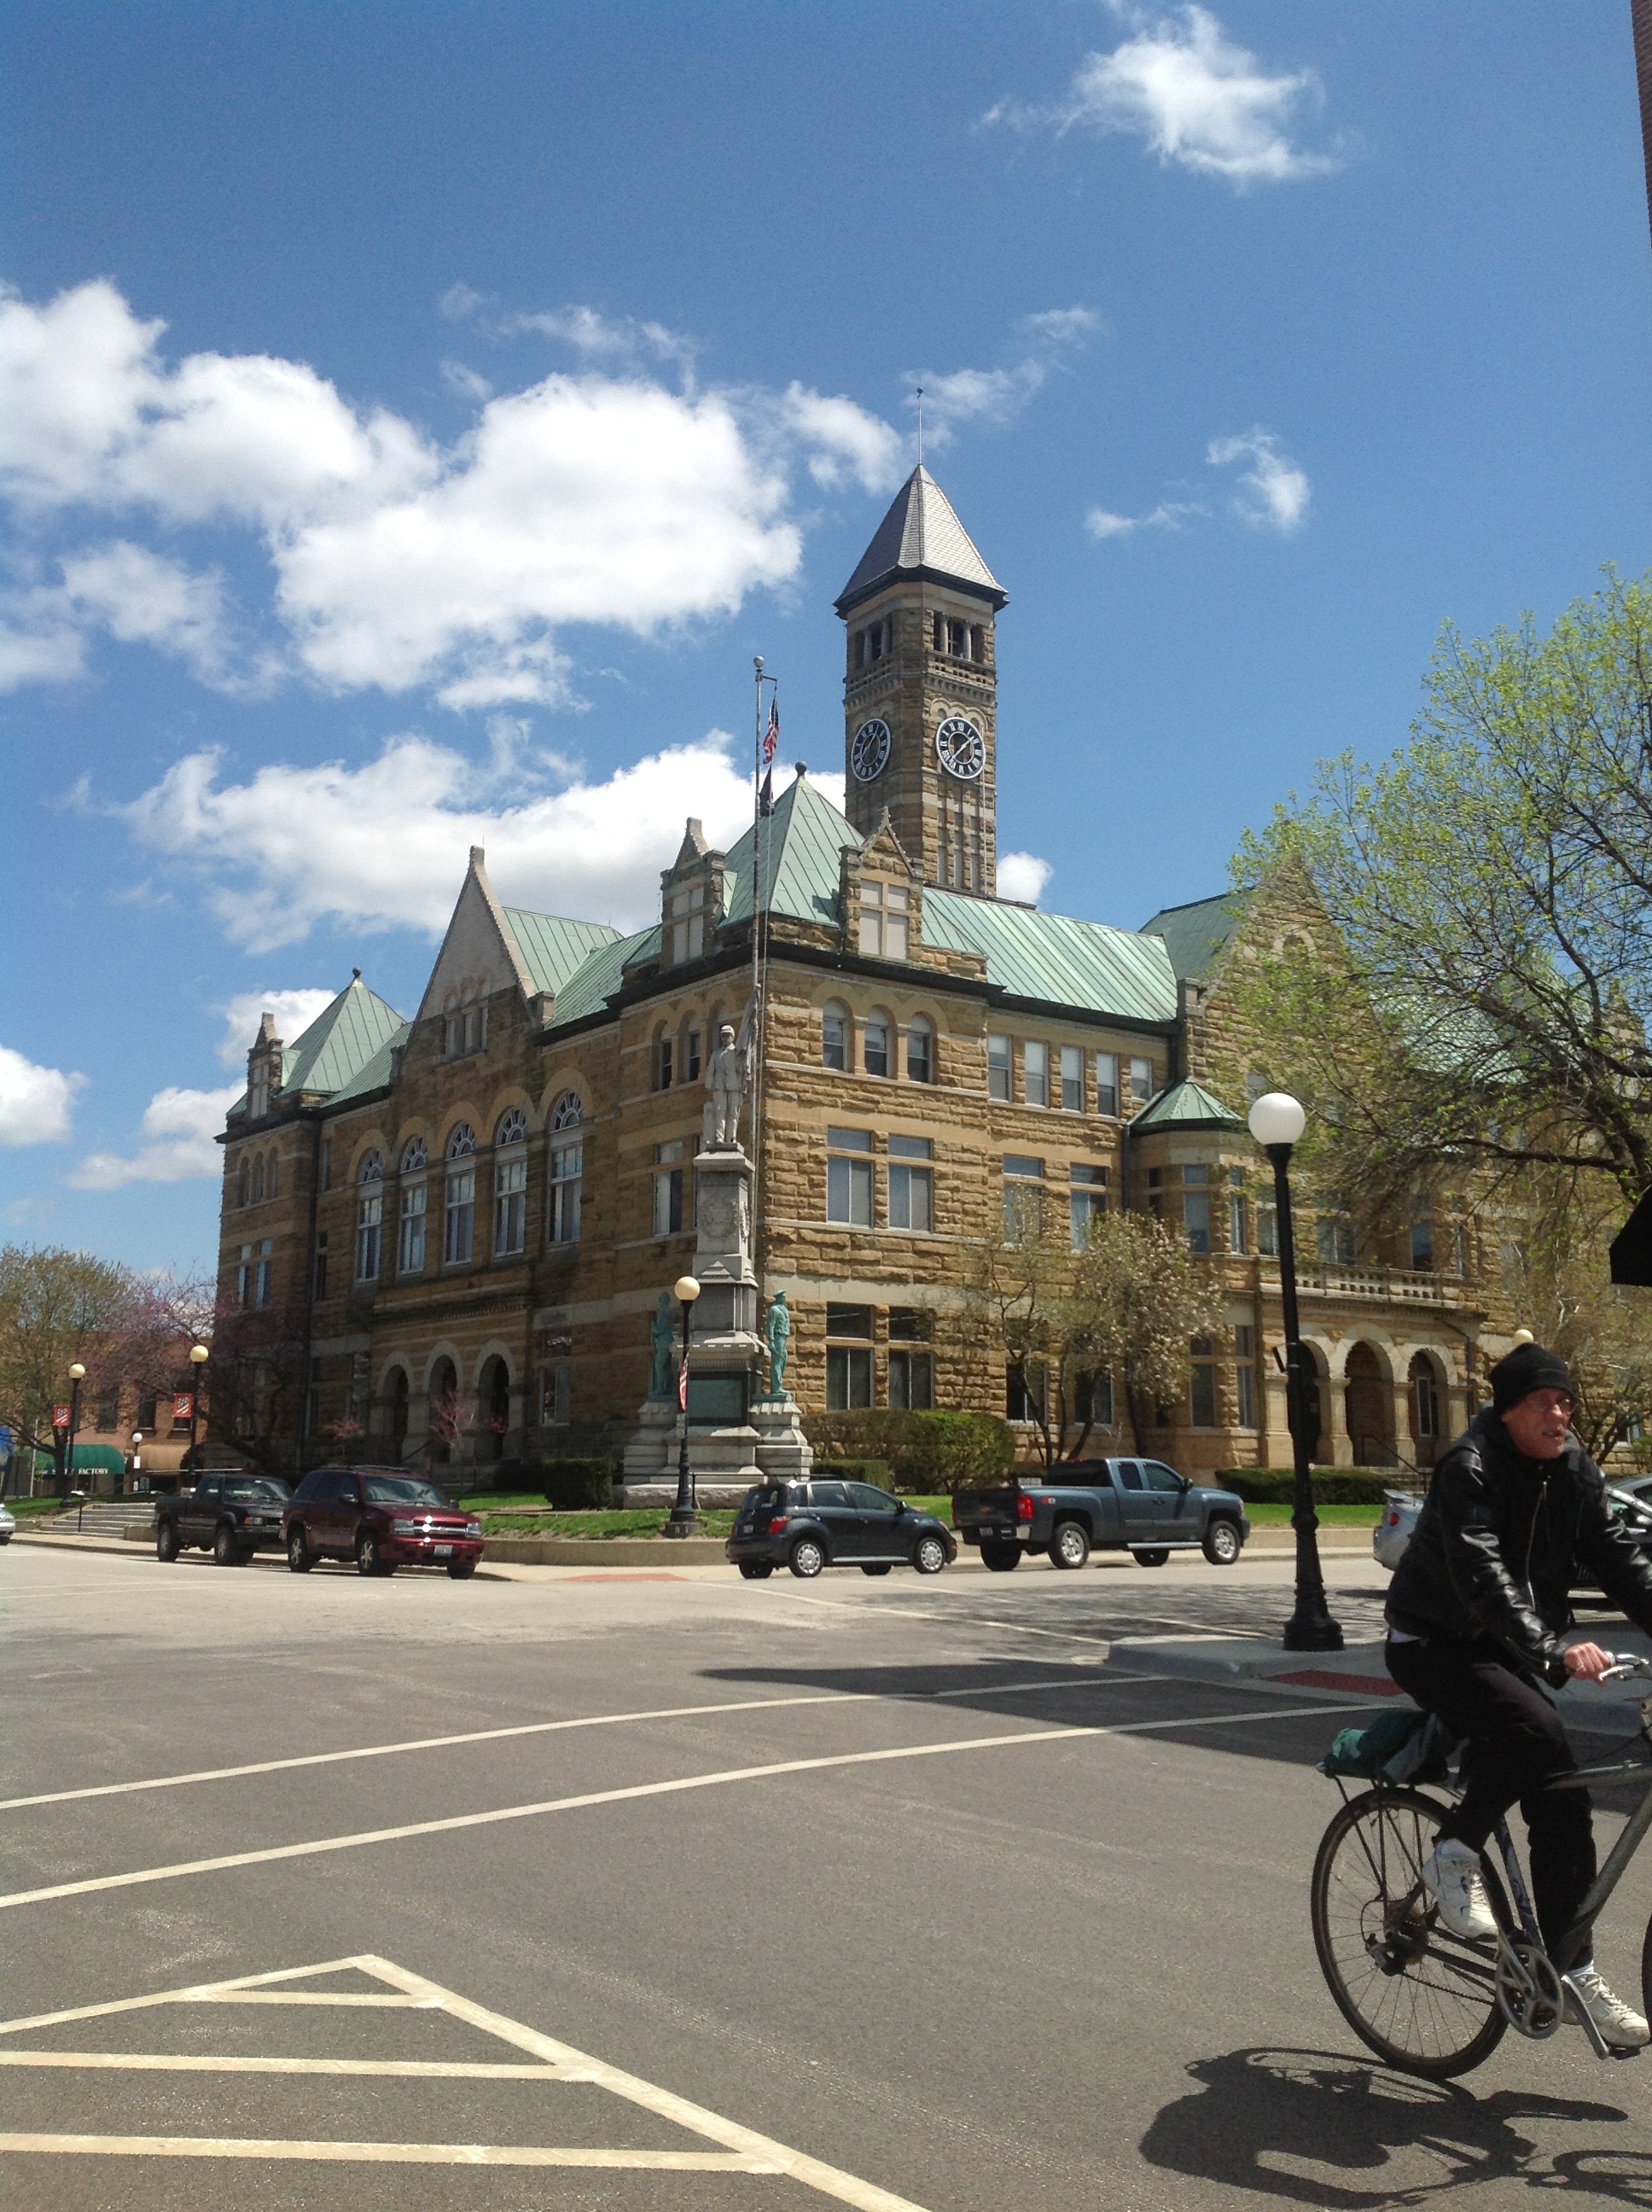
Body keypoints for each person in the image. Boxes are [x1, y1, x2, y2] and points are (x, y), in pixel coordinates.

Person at [1384, 1342, 1652, 2050]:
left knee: (1564, 1798)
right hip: (1435, 1640)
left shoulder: (1571, 1470)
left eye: (1566, 1402)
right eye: (1545, 1401)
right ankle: (1453, 1850)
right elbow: (1481, 1573)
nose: (1560, 1413)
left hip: (1510, 1642)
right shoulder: (1468, 1467)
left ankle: (1573, 1972)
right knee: (1531, 1730)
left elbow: (1620, 1560)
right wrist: (1551, 1649)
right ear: (1508, 1411)